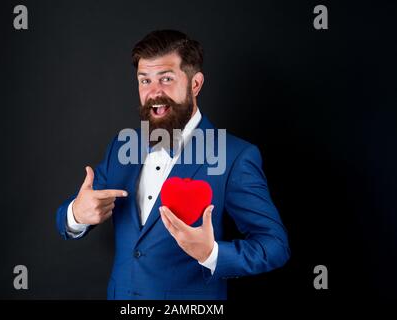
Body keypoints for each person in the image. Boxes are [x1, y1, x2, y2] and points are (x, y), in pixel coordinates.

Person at [56, 29, 290, 300]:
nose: (154, 92)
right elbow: (70, 215)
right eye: (145, 81)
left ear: (195, 84)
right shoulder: (121, 147)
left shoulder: (235, 156)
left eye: (166, 79)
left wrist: (211, 253)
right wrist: (77, 215)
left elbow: (275, 246)